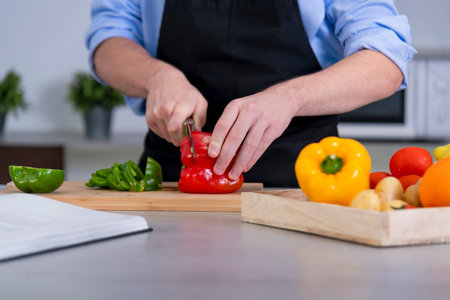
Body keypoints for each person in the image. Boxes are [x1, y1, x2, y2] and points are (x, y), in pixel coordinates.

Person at [86, 0, 416, 187]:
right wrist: (157, 76)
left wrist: (290, 97)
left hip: (304, 183)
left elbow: (386, 58)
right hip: (174, 181)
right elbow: (109, 39)